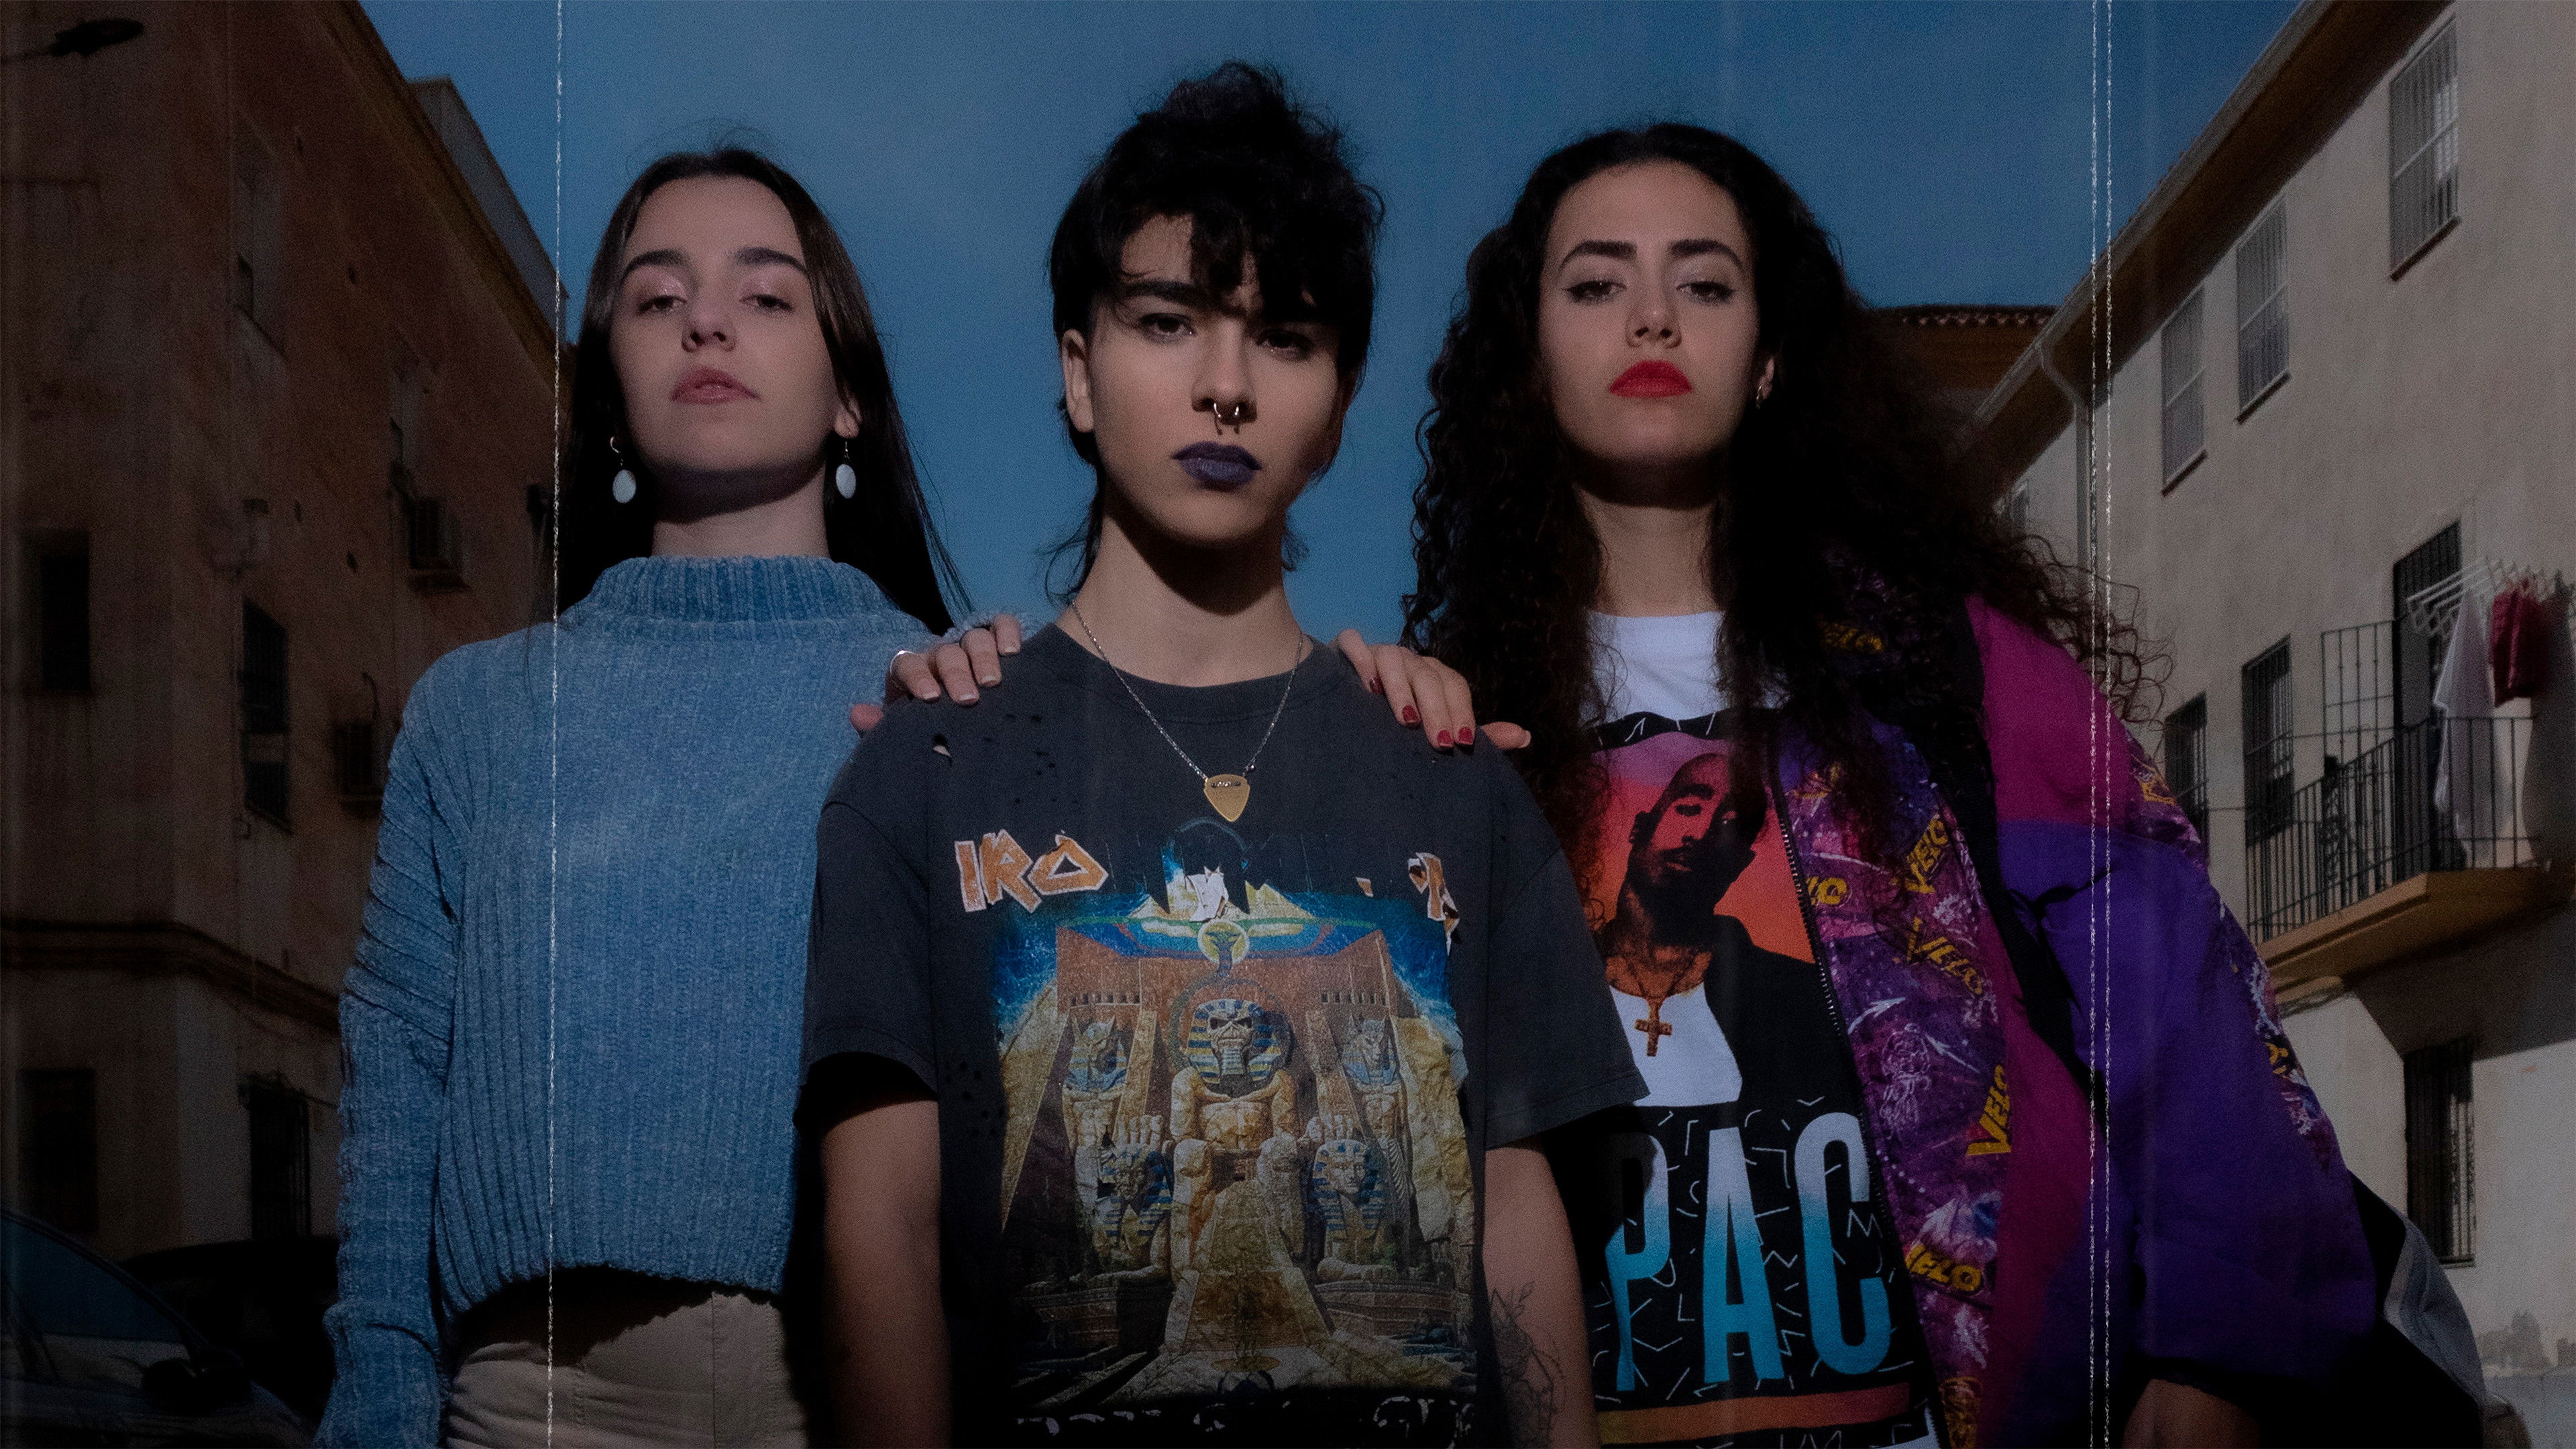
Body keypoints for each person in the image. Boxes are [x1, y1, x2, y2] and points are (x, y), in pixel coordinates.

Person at [1397, 124, 2440, 1448]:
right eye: (1596, 283)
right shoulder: (1457, 721)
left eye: (1705, 282)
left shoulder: (1945, 668)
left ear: (1768, 360)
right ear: (1529, 358)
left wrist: (2216, 1356)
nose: (1652, 315)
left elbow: (2180, 990)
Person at [800, 64, 1641, 1448]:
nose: (1226, 387)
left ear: (1342, 401)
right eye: (1167, 322)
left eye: (1285, 338)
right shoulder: (925, 770)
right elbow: (878, 1231)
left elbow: (1515, 1220)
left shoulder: (1451, 776)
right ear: (1079, 373)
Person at [320, 149, 959, 1448]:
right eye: (660, 299)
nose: (707, 324)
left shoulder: (947, 697)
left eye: (766, 296)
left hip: (865, 1390)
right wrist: (379, 1398)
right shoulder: (476, 711)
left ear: (850, 396)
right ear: (610, 396)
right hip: (536, 1408)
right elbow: (397, 1072)